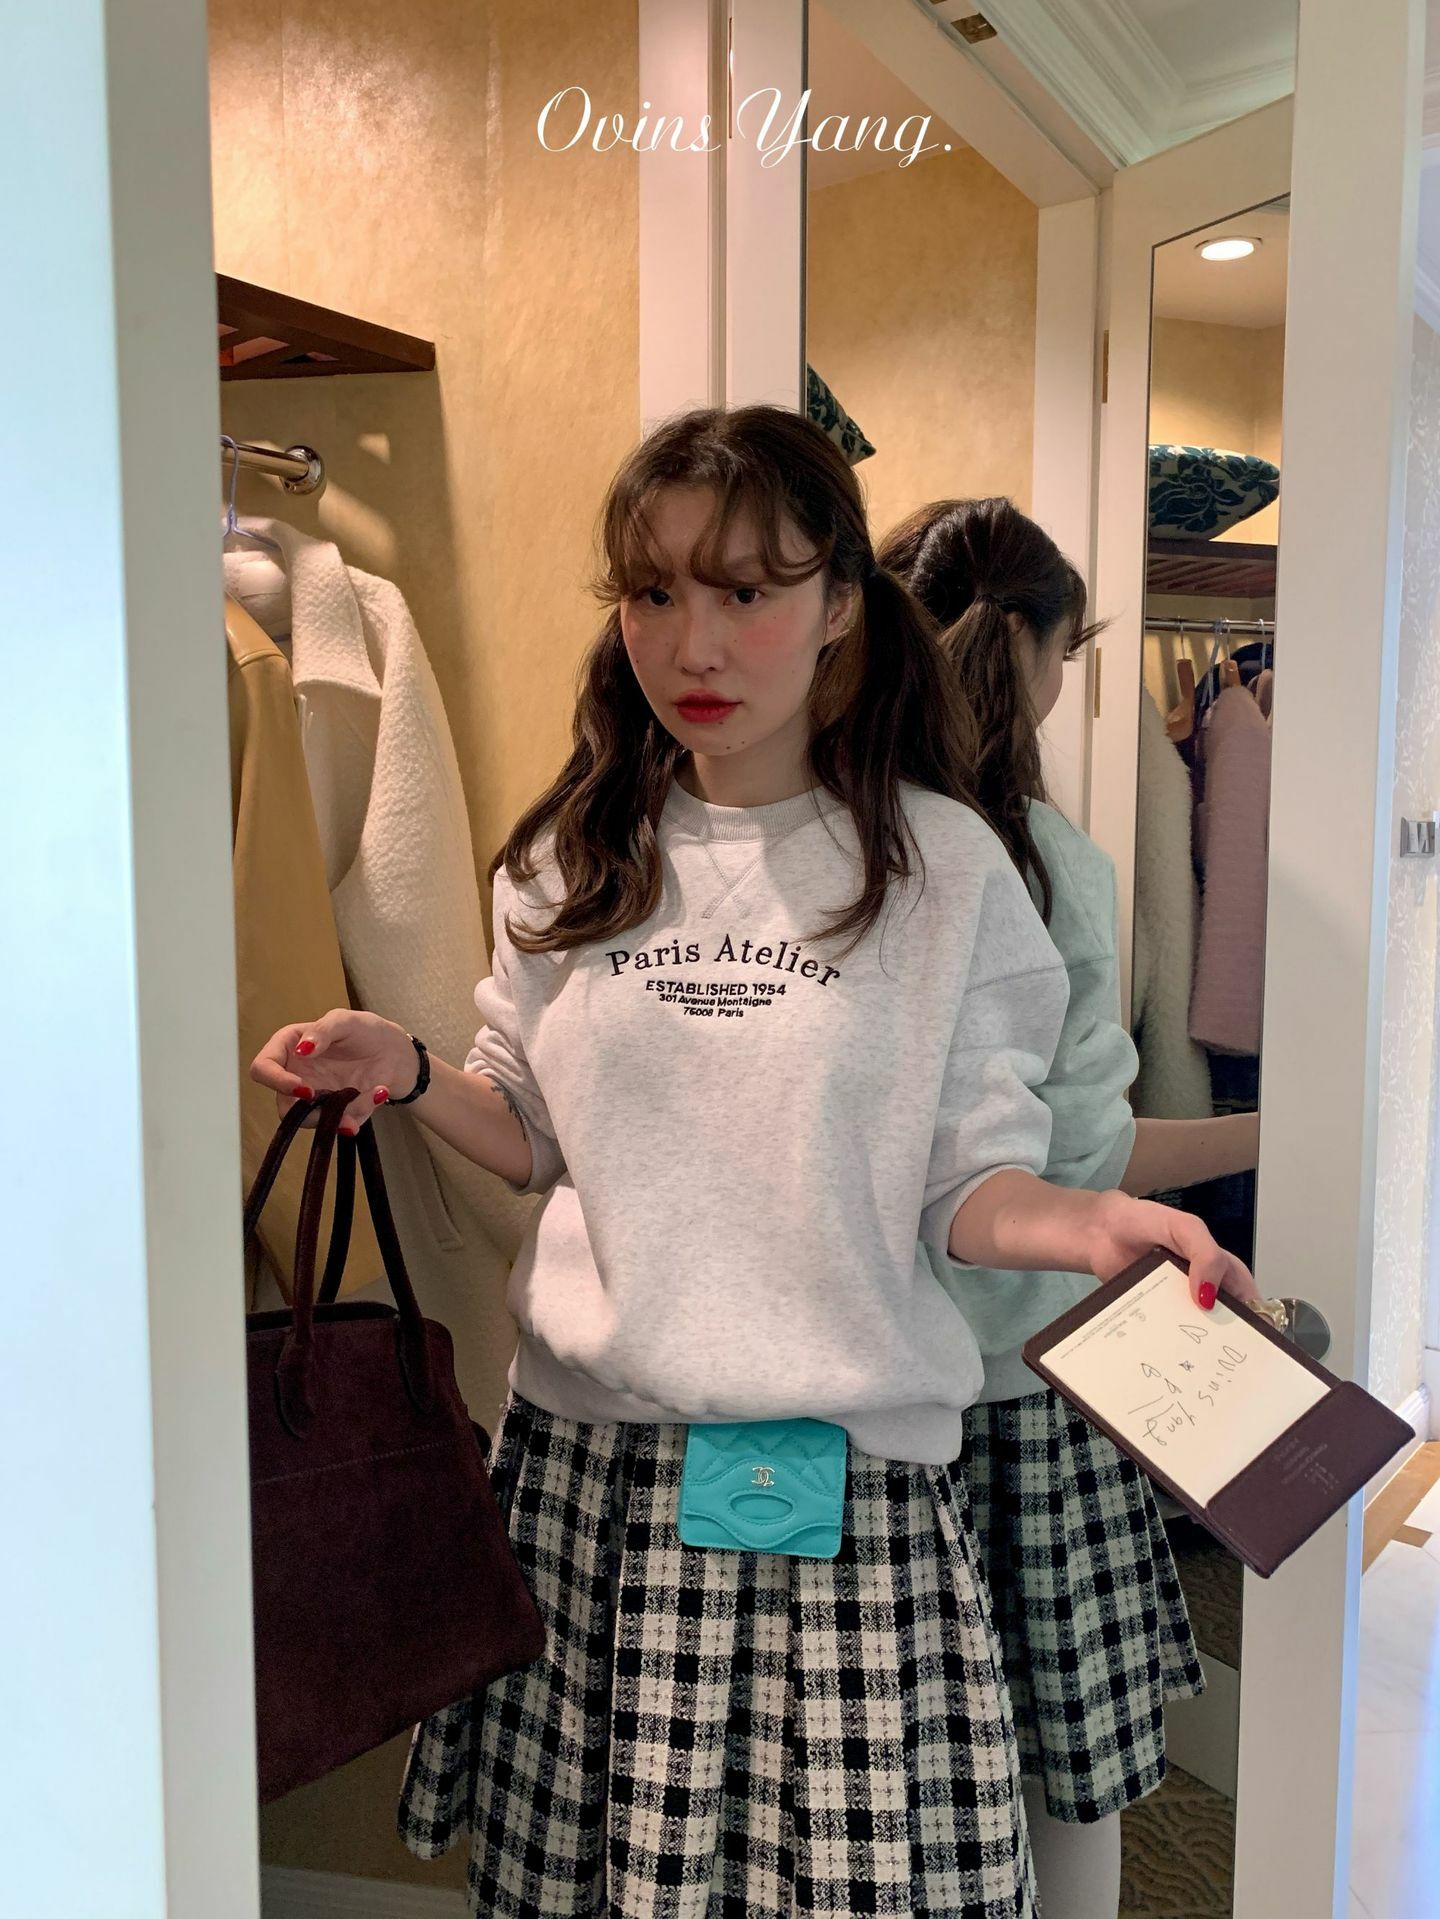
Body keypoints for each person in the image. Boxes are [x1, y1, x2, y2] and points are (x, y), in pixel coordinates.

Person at [252, 411, 1252, 1919]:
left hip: (848, 1492)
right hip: (591, 1473)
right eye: (653, 593)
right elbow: (533, 1134)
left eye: (746, 591)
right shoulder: (570, 856)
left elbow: (965, 1184)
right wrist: (405, 1068)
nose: (693, 643)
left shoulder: (944, 869)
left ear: (841, 602)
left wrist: (1094, 1225)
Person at [880, 494, 1261, 1919]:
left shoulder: (822, 839)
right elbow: (1086, 1160)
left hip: (852, 1385)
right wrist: (1288, 1135)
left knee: (869, 1791)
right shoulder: (1047, 863)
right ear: (1044, 653)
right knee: (1065, 1778)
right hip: (1028, 1388)